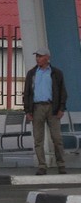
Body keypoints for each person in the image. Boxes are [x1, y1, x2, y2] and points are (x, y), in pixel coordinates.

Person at [23, 47, 68, 175]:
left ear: (47, 58)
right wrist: (27, 110)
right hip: (37, 108)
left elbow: (62, 92)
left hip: (52, 108)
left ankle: (61, 164)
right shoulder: (32, 73)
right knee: (38, 139)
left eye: (40, 56)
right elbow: (27, 92)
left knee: (56, 138)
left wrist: (61, 108)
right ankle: (42, 165)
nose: (38, 58)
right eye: (36, 56)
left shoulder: (56, 73)